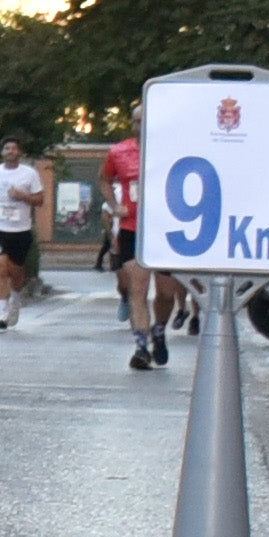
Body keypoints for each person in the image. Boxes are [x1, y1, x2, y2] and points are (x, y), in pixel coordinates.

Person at [103, 127, 176, 368]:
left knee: (166, 293)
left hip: (164, 230)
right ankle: (141, 346)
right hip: (132, 229)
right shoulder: (119, 151)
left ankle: (159, 330)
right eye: (137, 120)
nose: (142, 124)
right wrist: (115, 206)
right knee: (138, 288)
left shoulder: (171, 148)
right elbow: (104, 180)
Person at [0, 139, 43, 332]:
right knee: (1, 265)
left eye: (14, 148)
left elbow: (40, 200)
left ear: (19, 152)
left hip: (20, 230)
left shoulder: (29, 174)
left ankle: (16, 297)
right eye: (6, 148)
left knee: (17, 273)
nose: (10, 151)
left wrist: (22, 196)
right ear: (2, 152)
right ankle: (1, 313)